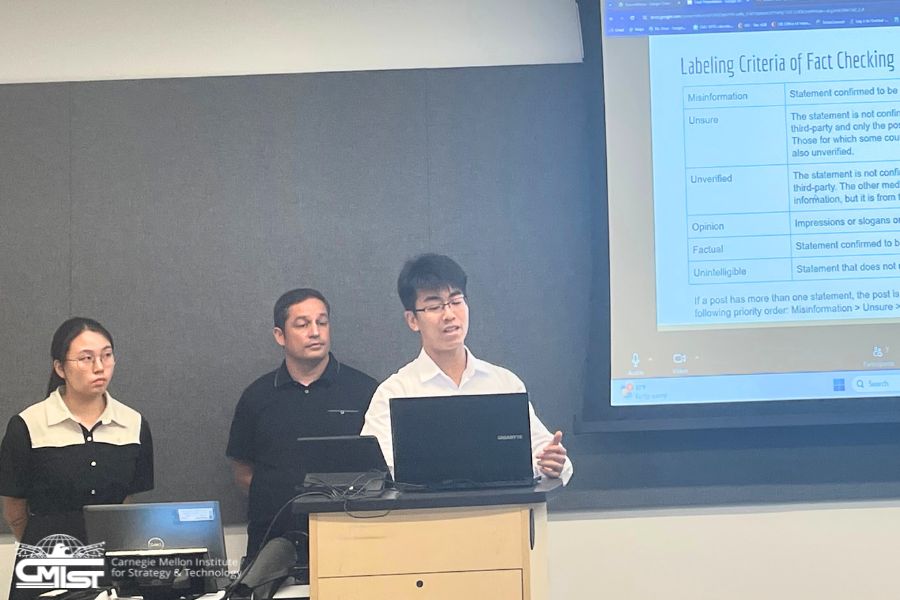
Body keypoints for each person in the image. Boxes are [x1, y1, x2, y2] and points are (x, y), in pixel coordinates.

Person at [362, 253, 573, 484]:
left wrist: (551, 463)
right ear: (412, 320)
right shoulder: (394, 392)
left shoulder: (503, 384)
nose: (449, 315)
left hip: (501, 515)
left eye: (456, 301)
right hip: (424, 517)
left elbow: (545, 454)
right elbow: (375, 471)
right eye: (434, 306)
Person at [0, 317, 154, 599]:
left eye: (106, 355)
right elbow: (14, 506)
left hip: (111, 561)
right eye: (86, 358)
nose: (99, 367)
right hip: (45, 560)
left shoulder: (134, 423)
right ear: (60, 367)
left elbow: (127, 501)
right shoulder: (28, 424)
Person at [226, 288, 378, 561]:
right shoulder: (256, 396)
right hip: (273, 544)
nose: (315, 332)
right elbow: (242, 471)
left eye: (322, 322)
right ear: (279, 336)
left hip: (351, 540)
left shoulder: (365, 390)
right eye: (302, 324)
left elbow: (381, 470)